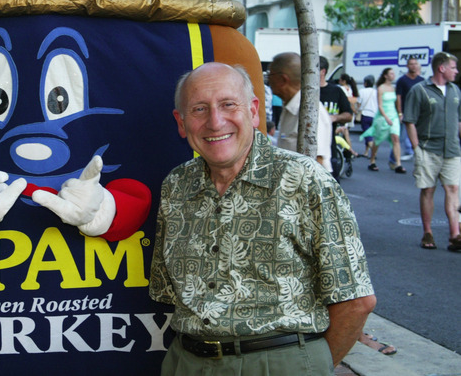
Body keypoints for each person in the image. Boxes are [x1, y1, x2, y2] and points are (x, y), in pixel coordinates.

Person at [149, 62, 376, 375]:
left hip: (280, 363)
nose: (215, 122)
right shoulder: (176, 186)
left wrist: (311, 367)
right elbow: (167, 291)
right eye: (199, 109)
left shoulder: (305, 180)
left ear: (253, 111)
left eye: (228, 104)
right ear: (182, 122)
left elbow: (356, 301)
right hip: (186, 362)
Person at [402, 52, 461, 251]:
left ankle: (455, 234)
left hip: (452, 149)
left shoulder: (456, 91)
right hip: (428, 149)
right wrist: (416, 148)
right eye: (453, 67)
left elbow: (459, 121)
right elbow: (409, 121)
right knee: (428, 190)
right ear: (441, 68)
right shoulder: (420, 90)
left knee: (453, 189)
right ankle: (428, 232)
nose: (457, 71)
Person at [268, 52, 333, 172]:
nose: (268, 81)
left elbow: (316, 163)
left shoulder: (309, 111)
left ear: (283, 79)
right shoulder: (289, 107)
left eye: (270, 75)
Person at [360, 68, 405, 173]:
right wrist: (386, 117)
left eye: (394, 73)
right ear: (385, 75)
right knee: (378, 140)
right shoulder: (381, 88)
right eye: (391, 73)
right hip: (383, 116)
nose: (393, 75)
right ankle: (372, 160)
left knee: (396, 138)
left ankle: (398, 163)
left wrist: (399, 114)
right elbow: (380, 105)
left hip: (393, 115)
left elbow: (396, 103)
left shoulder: (394, 88)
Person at [319, 57, 353, 177]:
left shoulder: (336, 91)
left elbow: (349, 115)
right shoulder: (306, 91)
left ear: (323, 71)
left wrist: (334, 118)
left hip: (330, 147)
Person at [392, 57, 424, 165]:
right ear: (407, 66)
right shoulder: (402, 80)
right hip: (407, 111)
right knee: (401, 136)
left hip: (419, 112)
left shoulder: (421, 80)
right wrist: (400, 112)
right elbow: (399, 97)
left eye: (415, 64)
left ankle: (415, 151)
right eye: (411, 64)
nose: (413, 66)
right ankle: (395, 158)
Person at [338, 73, 359, 157]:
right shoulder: (349, 89)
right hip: (350, 113)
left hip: (344, 113)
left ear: (343, 81)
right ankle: (347, 150)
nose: (339, 81)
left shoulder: (341, 89)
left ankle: (349, 151)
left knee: (344, 133)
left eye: (340, 79)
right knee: (346, 133)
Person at [358, 75, 378, 158]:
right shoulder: (376, 92)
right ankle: (366, 152)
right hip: (375, 116)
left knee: (367, 135)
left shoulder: (362, 91)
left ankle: (374, 153)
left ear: (365, 83)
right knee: (371, 134)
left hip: (365, 115)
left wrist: (357, 111)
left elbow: (359, 103)